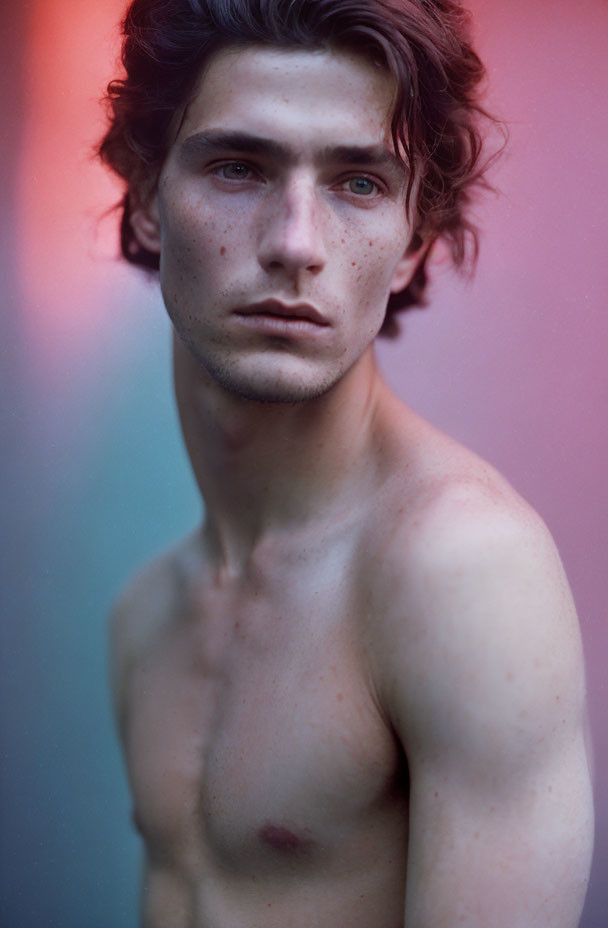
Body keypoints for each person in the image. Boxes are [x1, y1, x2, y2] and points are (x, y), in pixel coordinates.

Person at [99, 1, 594, 925]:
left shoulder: (462, 571)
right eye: (239, 167)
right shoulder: (146, 615)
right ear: (143, 195)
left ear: (413, 242)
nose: (294, 243)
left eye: (358, 183)